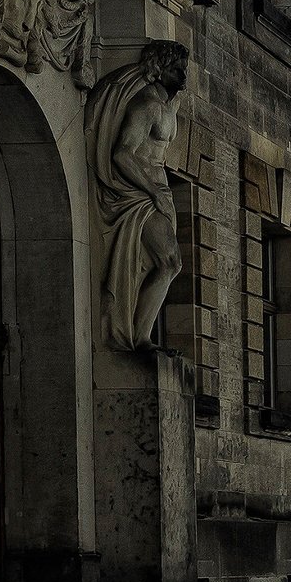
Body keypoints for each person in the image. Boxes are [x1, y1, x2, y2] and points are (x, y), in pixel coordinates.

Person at [86, 40, 191, 350]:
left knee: (167, 264)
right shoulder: (146, 106)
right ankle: (139, 338)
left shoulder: (170, 107)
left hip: (159, 192)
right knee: (170, 262)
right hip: (139, 193)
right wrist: (152, 190)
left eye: (183, 69)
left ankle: (142, 336)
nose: (183, 76)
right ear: (158, 70)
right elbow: (122, 155)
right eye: (176, 69)